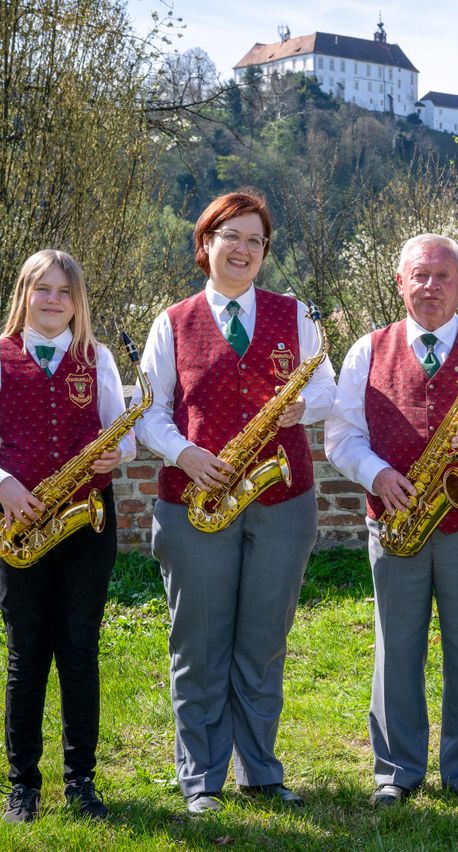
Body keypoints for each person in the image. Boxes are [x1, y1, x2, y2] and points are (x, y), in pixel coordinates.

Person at [134, 189, 336, 815]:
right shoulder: (171, 322)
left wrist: (306, 406)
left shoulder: (296, 315)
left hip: (281, 495)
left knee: (263, 639)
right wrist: (186, 455)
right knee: (198, 641)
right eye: (232, 236)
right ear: (206, 245)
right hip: (195, 498)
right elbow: (148, 413)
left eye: (255, 240)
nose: (244, 249)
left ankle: (260, 770)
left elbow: (329, 391)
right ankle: (200, 777)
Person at [325, 233, 458, 808]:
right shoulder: (366, 349)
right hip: (394, 518)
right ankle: (396, 771)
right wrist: (377, 476)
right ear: (400, 282)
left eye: (443, 276)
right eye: (419, 276)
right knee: (396, 646)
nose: (430, 287)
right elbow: (341, 436)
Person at [0, 250, 134, 823]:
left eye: (64, 291)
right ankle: (22, 783)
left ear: (78, 301)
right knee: (26, 654)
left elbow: (124, 439)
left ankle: (82, 781)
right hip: (20, 521)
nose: (53, 299)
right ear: (24, 294)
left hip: (87, 519)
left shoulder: (97, 357)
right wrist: (3, 485)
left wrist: (113, 453)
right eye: (42, 289)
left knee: (80, 650)